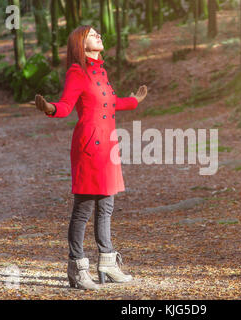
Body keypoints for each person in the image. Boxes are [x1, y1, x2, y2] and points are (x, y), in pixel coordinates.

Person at [34, 25, 147, 290]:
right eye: (93, 35)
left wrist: (134, 101)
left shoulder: (101, 71)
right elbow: (65, 105)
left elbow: (110, 101)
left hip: (107, 146)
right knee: (83, 209)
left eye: (98, 34)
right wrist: (50, 108)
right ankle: (77, 267)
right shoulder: (77, 72)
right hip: (88, 147)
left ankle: (107, 262)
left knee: (106, 207)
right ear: (81, 44)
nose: (99, 37)